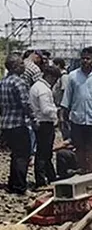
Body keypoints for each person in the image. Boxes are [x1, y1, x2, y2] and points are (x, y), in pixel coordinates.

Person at [61, 46, 92, 174]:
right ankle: (83, 169)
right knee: (79, 146)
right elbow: (67, 97)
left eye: (88, 58)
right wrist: (64, 115)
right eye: (83, 58)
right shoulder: (73, 76)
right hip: (78, 118)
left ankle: (90, 169)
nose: (85, 61)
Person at [0, 55, 35, 194]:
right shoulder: (19, 82)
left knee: (15, 154)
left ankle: (12, 184)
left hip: (6, 124)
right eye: (21, 64)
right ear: (15, 67)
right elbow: (25, 104)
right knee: (22, 155)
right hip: (19, 124)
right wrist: (34, 120)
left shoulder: (3, 82)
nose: (24, 66)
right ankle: (20, 187)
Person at [29, 66, 60, 187]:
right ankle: (41, 180)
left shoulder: (36, 86)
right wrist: (57, 111)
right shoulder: (43, 90)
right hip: (45, 123)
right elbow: (46, 109)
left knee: (44, 153)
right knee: (44, 153)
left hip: (39, 122)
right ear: (50, 77)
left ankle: (50, 176)